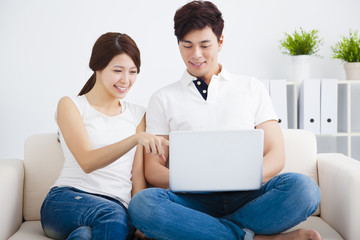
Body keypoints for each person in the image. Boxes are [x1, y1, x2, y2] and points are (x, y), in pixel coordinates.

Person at [128, 1, 322, 240]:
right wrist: (199, 178)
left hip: (249, 196)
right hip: (191, 200)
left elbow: (276, 154)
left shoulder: (251, 87)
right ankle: (255, 237)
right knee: (143, 205)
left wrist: (239, 175)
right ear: (178, 45)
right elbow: (153, 170)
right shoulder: (162, 98)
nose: (195, 55)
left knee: (305, 189)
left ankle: (202, 231)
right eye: (187, 46)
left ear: (220, 42)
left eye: (204, 45)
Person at [40, 32, 168, 240]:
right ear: (97, 67)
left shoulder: (137, 114)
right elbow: (87, 161)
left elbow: (136, 176)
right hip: (66, 201)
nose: (125, 80)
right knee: (110, 215)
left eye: (133, 72)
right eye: (117, 70)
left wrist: (140, 221)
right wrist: (135, 139)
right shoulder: (71, 105)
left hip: (117, 206)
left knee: (84, 236)